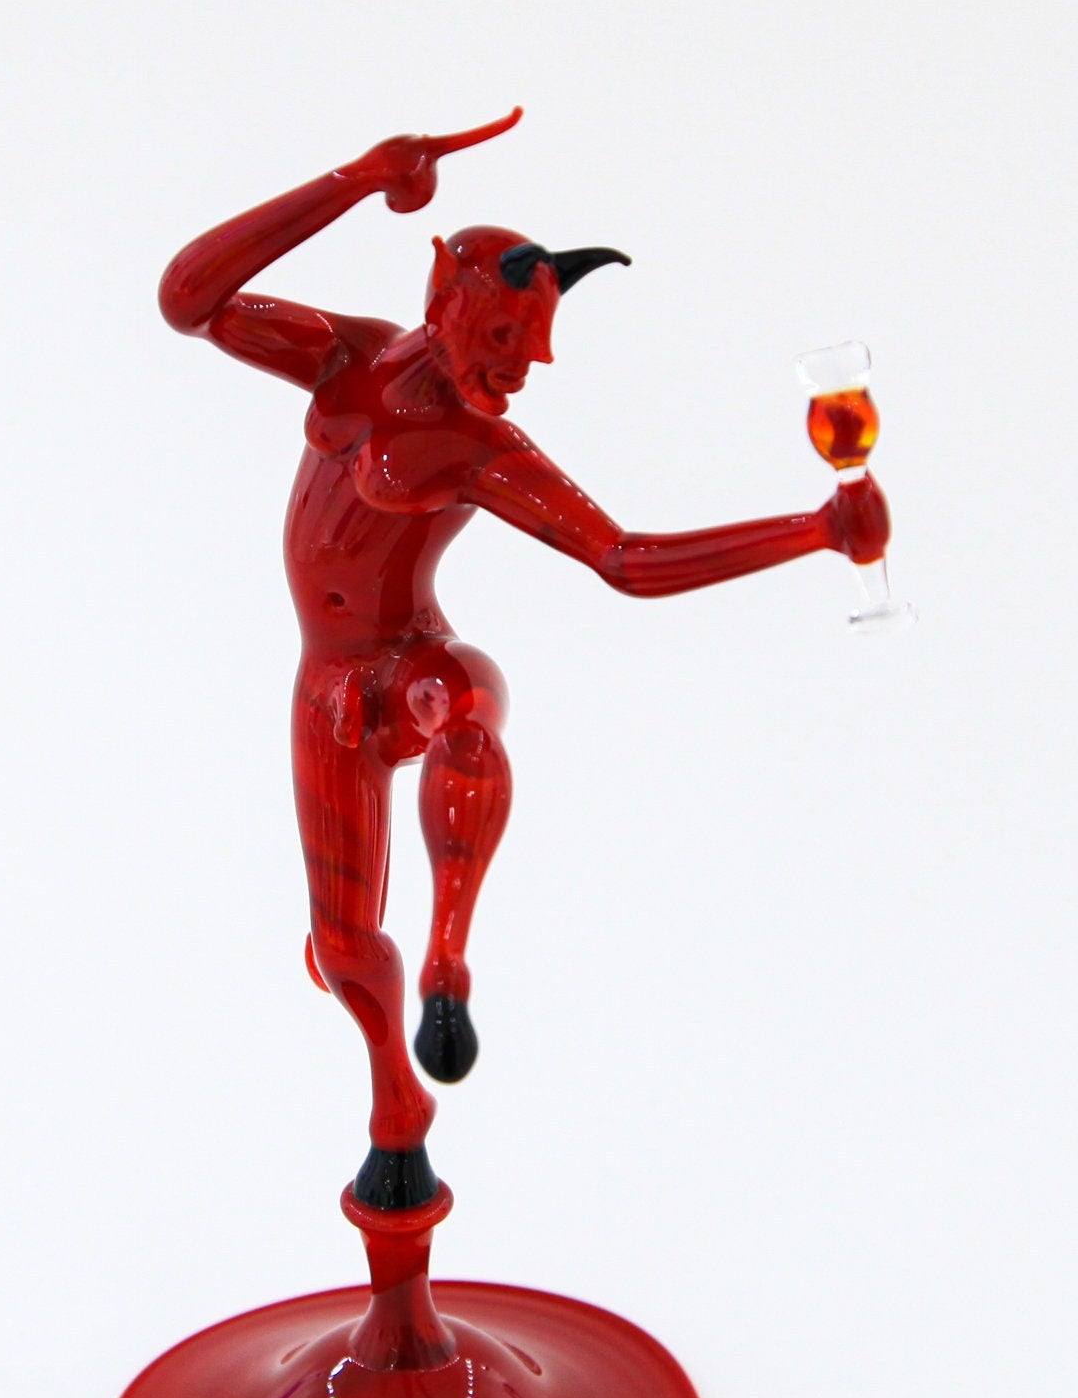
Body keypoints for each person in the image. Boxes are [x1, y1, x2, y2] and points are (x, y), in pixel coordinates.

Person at [159, 109, 888, 1209]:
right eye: (503, 340)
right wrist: (355, 179)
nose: (522, 370)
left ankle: (448, 956)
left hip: (415, 661)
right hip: (328, 688)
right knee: (342, 945)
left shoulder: (484, 446)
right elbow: (189, 299)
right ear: (446, 306)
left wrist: (815, 531)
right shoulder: (345, 358)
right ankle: (396, 1105)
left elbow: (626, 560)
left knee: (463, 718)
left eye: (533, 348)